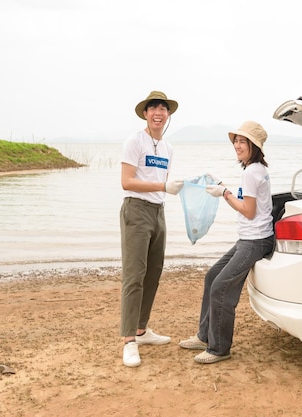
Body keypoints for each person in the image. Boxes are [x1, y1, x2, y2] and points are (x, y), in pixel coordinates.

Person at [179, 121, 274, 364]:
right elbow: (249, 204)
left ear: (254, 146)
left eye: (243, 142)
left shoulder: (252, 172)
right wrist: (224, 187)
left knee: (221, 287)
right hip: (248, 239)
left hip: (255, 241)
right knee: (212, 276)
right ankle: (204, 336)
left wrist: (224, 194)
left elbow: (249, 211)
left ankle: (219, 349)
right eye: (236, 141)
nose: (237, 145)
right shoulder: (254, 170)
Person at [120, 90, 184, 367]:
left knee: (153, 274)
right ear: (145, 113)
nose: (158, 112)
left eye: (163, 108)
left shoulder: (168, 148)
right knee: (134, 277)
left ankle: (141, 330)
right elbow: (127, 181)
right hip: (136, 210)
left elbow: (163, 181)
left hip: (159, 212)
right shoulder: (135, 141)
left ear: (168, 114)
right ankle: (128, 341)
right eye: (153, 108)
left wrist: (174, 187)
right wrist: (162, 187)